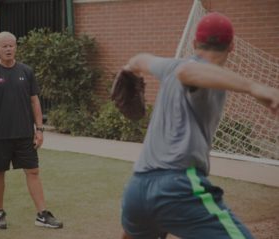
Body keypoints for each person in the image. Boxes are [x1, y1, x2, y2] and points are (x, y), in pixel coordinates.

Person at [120, 12, 279, 239]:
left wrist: (130, 67)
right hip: (177, 186)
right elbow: (188, 71)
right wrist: (254, 87)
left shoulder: (170, 66)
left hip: (137, 188)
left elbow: (141, 59)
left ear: (194, 43)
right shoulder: (192, 71)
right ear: (232, 46)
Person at [0, 31, 63, 229]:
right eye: (5, 46)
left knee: (33, 171)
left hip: (24, 134)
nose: (9, 49)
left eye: (12, 45)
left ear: (16, 47)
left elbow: (35, 101)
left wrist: (39, 129)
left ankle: (42, 215)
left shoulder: (26, 72)